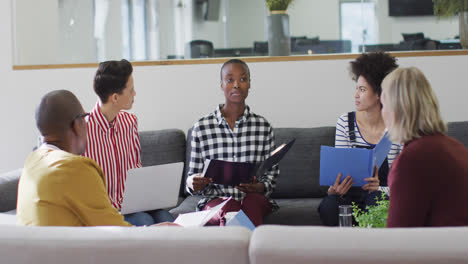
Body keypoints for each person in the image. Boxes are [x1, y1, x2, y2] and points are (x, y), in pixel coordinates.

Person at [185, 59, 279, 227]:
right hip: (216, 199)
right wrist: (193, 182)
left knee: (251, 204)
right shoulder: (201, 128)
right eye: (230, 80)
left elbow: (271, 177)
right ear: (221, 85)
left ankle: (234, 250)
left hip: (254, 199)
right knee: (229, 208)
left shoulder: (263, 127)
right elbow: (192, 177)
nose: (236, 85)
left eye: (243, 79)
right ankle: (247, 250)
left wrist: (259, 187)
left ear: (249, 84)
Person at [17, 90, 132, 226]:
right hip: (63, 247)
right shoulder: (75, 169)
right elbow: (118, 231)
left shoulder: (32, 161)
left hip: (39, 245)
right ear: (77, 125)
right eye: (85, 118)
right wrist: (155, 232)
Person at [84, 59, 174, 226]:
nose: (135, 94)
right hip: (106, 212)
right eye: (131, 90)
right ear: (115, 97)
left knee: (166, 218)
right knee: (145, 220)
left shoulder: (130, 122)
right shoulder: (83, 131)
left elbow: (135, 170)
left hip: (134, 205)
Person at [318, 52, 402, 226]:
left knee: (376, 200)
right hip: (349, 196)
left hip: (381, 195)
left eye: (362, 90)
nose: (356, 95)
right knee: (329, 205)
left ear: (380, 94)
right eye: (356, 88)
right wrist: (334, 189)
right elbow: (338, 172)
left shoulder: (397, 127)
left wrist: (379, 188)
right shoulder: (345, 122)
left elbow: (403, 186)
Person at [381, 67, 468, 227]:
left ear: (396, 109)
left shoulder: (411, 160)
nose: (382, 112)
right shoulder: (455, 147)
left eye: (383, 105)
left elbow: (399, 239)